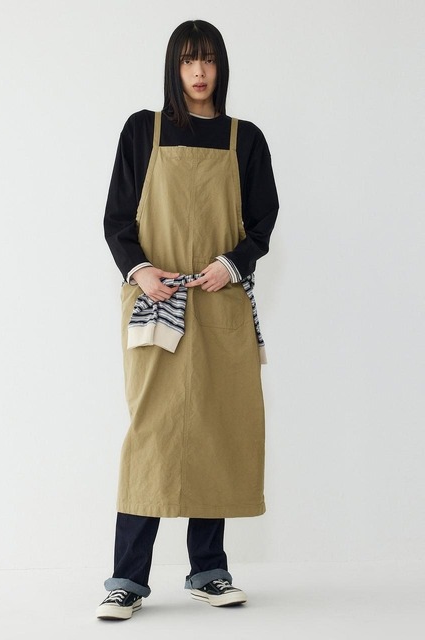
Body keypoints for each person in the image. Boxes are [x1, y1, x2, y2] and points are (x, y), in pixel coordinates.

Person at [96, 19, 279, 621]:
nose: (198, 72)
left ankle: (208, 570)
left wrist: (232, 264)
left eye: (208, 60)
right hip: (157, 298)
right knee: (151, 431)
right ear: (173, 66)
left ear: (221, 66)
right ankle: (126, 579)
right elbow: (117, 218)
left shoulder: (244, 139)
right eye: (187, 60)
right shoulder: (142, 130)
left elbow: (262, 222)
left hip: (220, 302)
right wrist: (141, 271)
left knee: (214, 427)